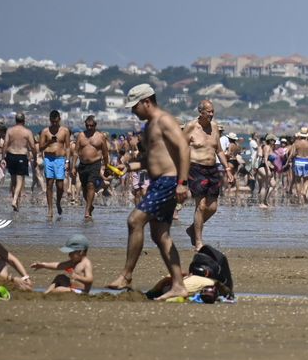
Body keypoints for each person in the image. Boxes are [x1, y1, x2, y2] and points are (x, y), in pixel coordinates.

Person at [104, 84, 190, 299]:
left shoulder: (164, 120)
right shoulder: (150, 125)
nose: (133, 111)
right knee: (160, 235)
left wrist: (183, 182)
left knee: (135, 220)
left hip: (169, 182)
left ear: (147, 102)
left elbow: (183, 148)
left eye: (135, 107)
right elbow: (151, 159)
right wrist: (128, 167)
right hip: (160, 181)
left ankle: (126, 275)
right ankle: (178, 285)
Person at [184, 100, 229, 248]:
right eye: (208, 111)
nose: (211, 114)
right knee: (201, 205)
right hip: (195, 168)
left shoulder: (214, 127)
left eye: (212, 111)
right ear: (200, 112)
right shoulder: (190, 127)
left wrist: (227, 169)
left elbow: (219, 150)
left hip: (212, 169)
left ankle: (192, 230)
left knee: (213, 207)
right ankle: (198, 241)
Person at [73, 115, 113, 221]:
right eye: (87, 125)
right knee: (85, 188)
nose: (89, 128)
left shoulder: (100, 136)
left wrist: (107, 167)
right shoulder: (81, 135)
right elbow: (76, 152)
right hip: (82, 165)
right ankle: (90, 205)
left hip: (95, 164)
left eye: (91, 126)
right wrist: (73, 166)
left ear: (95, 125)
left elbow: (105, 153)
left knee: (91, 185)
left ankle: (87, 210)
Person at [38, 110, 72, 221]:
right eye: (52, 122)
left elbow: (67, 147)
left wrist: (67, 161)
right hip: (49, 159)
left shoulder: (65, 131)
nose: (54, 124)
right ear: (50, 120)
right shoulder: (45, 131)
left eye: (56, 122)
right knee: (49, 184)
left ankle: (58, 202)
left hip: (60, 159)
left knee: (60, 186)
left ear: (59, 120)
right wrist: (49, 142)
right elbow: (41, 148)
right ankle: (50, 209)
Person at [4, 112, 36, 212]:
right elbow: (33, 146)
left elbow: (5, 144)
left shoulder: (10, 130)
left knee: (13, 180)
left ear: (15, 120)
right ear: (24, 120)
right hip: (22, 155)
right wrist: (34, 157)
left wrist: (3, 157)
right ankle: (14, 200)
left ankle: (16, 202)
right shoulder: (27, 132)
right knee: (20, 180)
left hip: (11, 155)